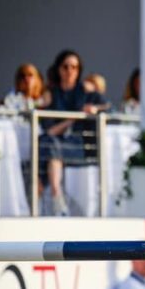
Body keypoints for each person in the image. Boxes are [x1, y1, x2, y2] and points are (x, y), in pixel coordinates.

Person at [39, 49, 101, 216]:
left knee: (49, 151)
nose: (69, 71)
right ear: (59, 69)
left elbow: (107, 106)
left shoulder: (85, 90)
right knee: (49, 146)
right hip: (55, 146)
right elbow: (50, 130)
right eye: (66, 67)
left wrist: (93, 108)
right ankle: (56, 196)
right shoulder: (51, 94)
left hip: (78, 146)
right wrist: (74, 117)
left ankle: (53, 199)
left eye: (74, 67)